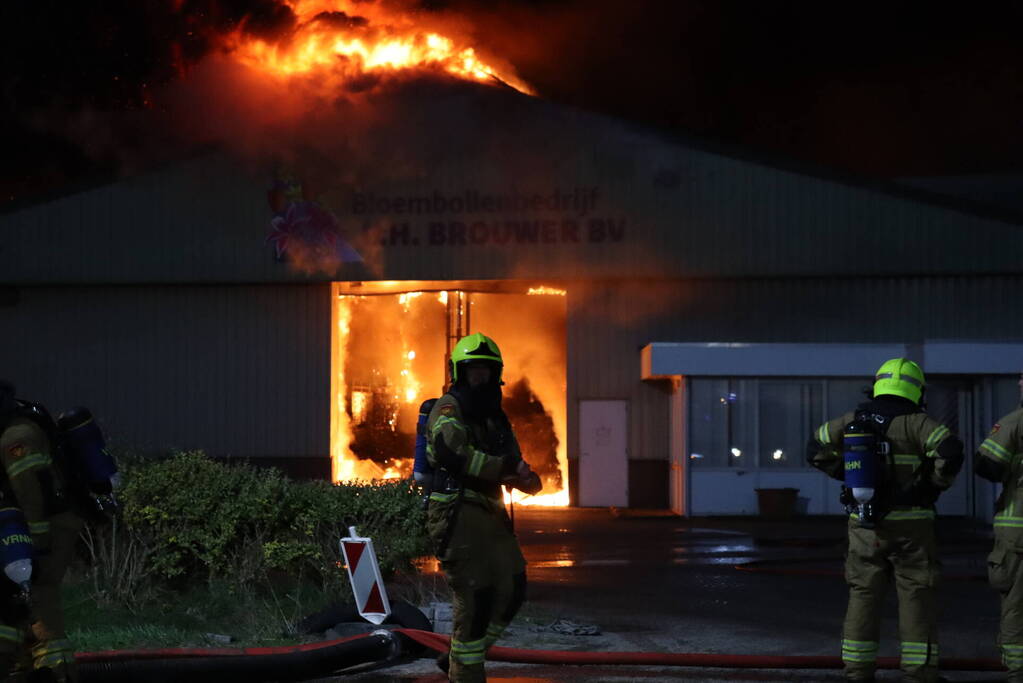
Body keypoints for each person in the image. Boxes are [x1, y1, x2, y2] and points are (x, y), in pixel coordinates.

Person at [807, 359, 963, 683]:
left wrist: (845, 477)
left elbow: (815, 447)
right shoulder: (919, 423)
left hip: (865, 524)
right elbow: (951, 451)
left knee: (863, 594)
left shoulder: (853, 419)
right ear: (916, 389)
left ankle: (857, 672)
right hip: (912, 526)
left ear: (878, 384)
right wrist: (929, 487)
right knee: (916, 596)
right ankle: (918, 674)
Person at [424, 333, 542, 683]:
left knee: (512, 587)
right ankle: (466, 672)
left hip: (490, 510)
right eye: (473, 371)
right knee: (475, 596)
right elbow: (451, 454)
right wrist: (504, 468)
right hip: (457, 512)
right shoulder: (448, 409)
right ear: (459, 373)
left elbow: (513, 458)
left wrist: (526, 479)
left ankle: (460, 657)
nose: (480, 378)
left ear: (496, 374)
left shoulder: (495, 416)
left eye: (486, 371)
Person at [0, 381, 83, 682]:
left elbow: (29, 492)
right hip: (38, 525)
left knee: (38, 595)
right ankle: (20, 667)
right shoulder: (18, 426)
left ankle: (57, 669)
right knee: (16, 600)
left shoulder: (15, 437)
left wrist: (37, 539)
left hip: (50, 526)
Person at [975, 371, 1023, 682]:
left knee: (1017, 603)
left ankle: (1018, 672)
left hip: (1018, 530)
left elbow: (986, 464)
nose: (1019, 384)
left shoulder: (1015, 422)